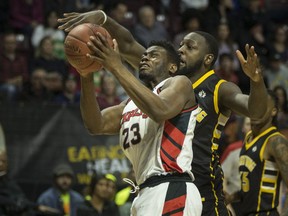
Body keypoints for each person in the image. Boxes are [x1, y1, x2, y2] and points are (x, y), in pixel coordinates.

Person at [58, 9, 268, 216]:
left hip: (201, 184)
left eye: (190, 47)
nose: (181, 50)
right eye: (180, 45)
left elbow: (255, 110)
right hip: (156, 185)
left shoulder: (218, 87)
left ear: (207, 59)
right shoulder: (162, 75)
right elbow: (128, 45)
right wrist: (103, 20)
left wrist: (256, 82)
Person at [77, 36, 202, 215]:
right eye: (144, 55)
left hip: (171, 187)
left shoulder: (179, 83)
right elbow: (95, 124)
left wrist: (116, 66)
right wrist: (86, 75)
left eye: (154, 56)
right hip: (144, 191)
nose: (145, 58)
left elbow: (160, 110)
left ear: (172, 67)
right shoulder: (130, 104)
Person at [226, 90, 288, 215]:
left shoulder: (275, 140)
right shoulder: (249, 137)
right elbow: (252, 186)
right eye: (254, 104)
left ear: (273, 111)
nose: (257, 109)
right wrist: (230, 197)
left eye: (263, 106)